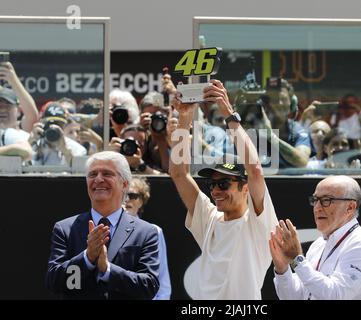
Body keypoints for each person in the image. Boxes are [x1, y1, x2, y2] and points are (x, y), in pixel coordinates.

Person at [169, 79, 278, 300]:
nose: (216, 191)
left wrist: (229, 115)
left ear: (245, 188)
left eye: (224, 184)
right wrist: (184, 119)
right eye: (212, 184)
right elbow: (179, 174)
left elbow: (255, 169)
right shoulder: (209, 218)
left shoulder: (258, 223)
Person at [46, 151, 160, 299]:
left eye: (107, 174)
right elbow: (54, 283)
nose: (98, 179)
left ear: (124, 184)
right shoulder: (65, 229)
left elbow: (149, 287)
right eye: (92, 174)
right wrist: (87, 258)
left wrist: (108, 270)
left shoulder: (145, 232)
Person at [270, 176, 361, 300]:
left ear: (350, 207)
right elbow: (295, 297)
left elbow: (336, 295)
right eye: (315, 200)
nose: (317, 208)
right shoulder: (319, 244)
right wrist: (282, 269)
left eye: (326, 200)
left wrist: (297, 260)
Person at [124, 177, 171, 300]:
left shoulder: (154, 231)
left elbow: (162, 277)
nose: (127, 199)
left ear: (141, 201)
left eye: (133, 195)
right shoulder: (105, 227)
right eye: (123, 194)